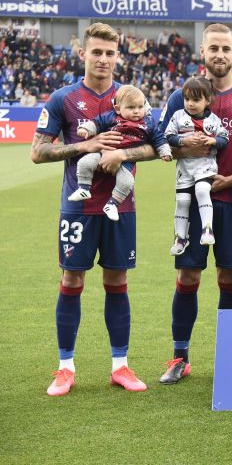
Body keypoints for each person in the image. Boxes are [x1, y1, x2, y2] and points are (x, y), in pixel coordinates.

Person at [32, 23, 157, 396]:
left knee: (117, 281)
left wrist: (123, 153)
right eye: (97, 52)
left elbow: (155, 146)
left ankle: (120, 366)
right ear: (83, 53)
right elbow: (38, 152)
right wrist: (84, 147)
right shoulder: (64, 98)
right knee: (73, 280)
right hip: (79, 207)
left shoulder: (132, 97)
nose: (103, 59)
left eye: (110, 53)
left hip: (121, 205)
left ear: (119, 56)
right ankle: (65, 368)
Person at [156, 23, 232, 385]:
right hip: (190, 193)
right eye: (213, 48)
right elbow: (162, 144)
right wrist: (187, 147)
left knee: (228, 275)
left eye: (226, 48)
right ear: (202, 52)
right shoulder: (181, 96)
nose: (220, 54)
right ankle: (179, 357)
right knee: (188, 275)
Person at [70, 84, 172, 221]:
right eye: (131, 107)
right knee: (85, 162)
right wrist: (86, 129)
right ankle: (84, 188)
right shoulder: (112, 117)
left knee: (127, 181)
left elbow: (159, 138)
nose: (136, 111)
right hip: (105, 150)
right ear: (118, 109)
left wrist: (164, 151)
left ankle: (112, 204)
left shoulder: (148, 122)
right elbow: (97, 122)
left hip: (127, 161)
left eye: (140, 107)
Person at [163, 76, 230, 253]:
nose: (190, 104)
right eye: (187, 99)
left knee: (202, 190)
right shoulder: (178, 116)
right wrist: (184, 141)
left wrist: (211, 140)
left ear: (208, 100)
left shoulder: (213, 120)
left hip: (204, 166)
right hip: (184, 169)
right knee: (182, 201)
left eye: (196, 99)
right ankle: (180, 238)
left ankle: (207, 230)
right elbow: (168, 136)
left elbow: (224, 139)